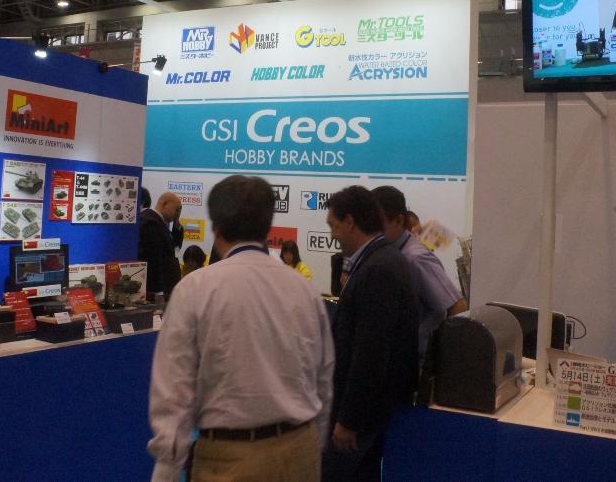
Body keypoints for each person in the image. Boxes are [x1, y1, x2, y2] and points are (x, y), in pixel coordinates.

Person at [147, 175, 334, 482]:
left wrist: (166, 471)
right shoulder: (304, 289)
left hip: (230, 457)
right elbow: (323, 377)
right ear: (268, 224)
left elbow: (174, 391)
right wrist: (314, 444)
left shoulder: (195, 288)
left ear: (216, 226)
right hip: (301, 450)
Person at [322, 186, 418, 482]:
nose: (333, 235)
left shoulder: (379, 269)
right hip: (369, 414)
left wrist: (348, 420)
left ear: (350, 222)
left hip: (362, 420)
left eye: (333, 226)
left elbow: (370, 352)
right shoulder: (382, 261)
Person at [372, 186, 468, 357]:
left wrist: (424, 346)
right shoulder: (393, 254)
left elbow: (457, 307)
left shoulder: (415, 259)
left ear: (399, 220)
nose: (372, 232)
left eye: (379, 224)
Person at [139, 192, 182, 299]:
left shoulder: (161, 224)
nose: (177, 213)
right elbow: (154, 262)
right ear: (164, 204)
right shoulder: (151, 223)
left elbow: (176, 250)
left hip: (168, 289)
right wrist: (159, 292)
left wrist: (176, 223)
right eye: (176, 209)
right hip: (159, 292)